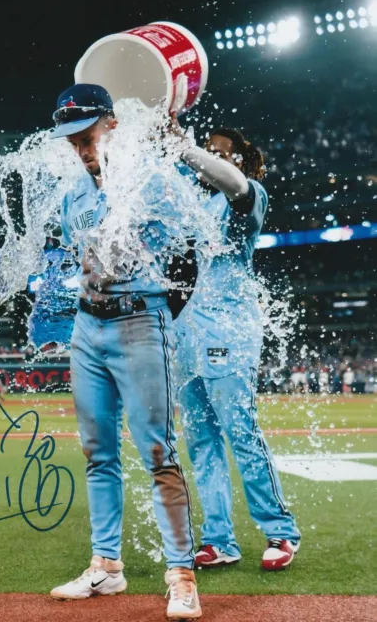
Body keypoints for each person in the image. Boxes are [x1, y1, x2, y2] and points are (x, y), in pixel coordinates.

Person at [48, 84, 201, 620]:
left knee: (158, 453)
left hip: (140, 322)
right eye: (73, 143)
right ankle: (106, 568)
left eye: (87, 138)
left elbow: (185, 259)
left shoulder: (152, 184)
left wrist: (158, 317)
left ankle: (181, 575)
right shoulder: (75, 196)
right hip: (87, 329)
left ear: (112, 126)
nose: (82, 151)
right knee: (98, 454)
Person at [172, 121, 301, 571]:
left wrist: (187, 149)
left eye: (222, 152)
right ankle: (220, 539)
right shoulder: (193, 203)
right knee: (202, 442)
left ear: (240, 160)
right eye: (209, 150)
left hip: (228, 332)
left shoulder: (248, 195)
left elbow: (231, 181)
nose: (213, 157)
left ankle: (280, 531)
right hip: (185, 336)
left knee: (241, 434)